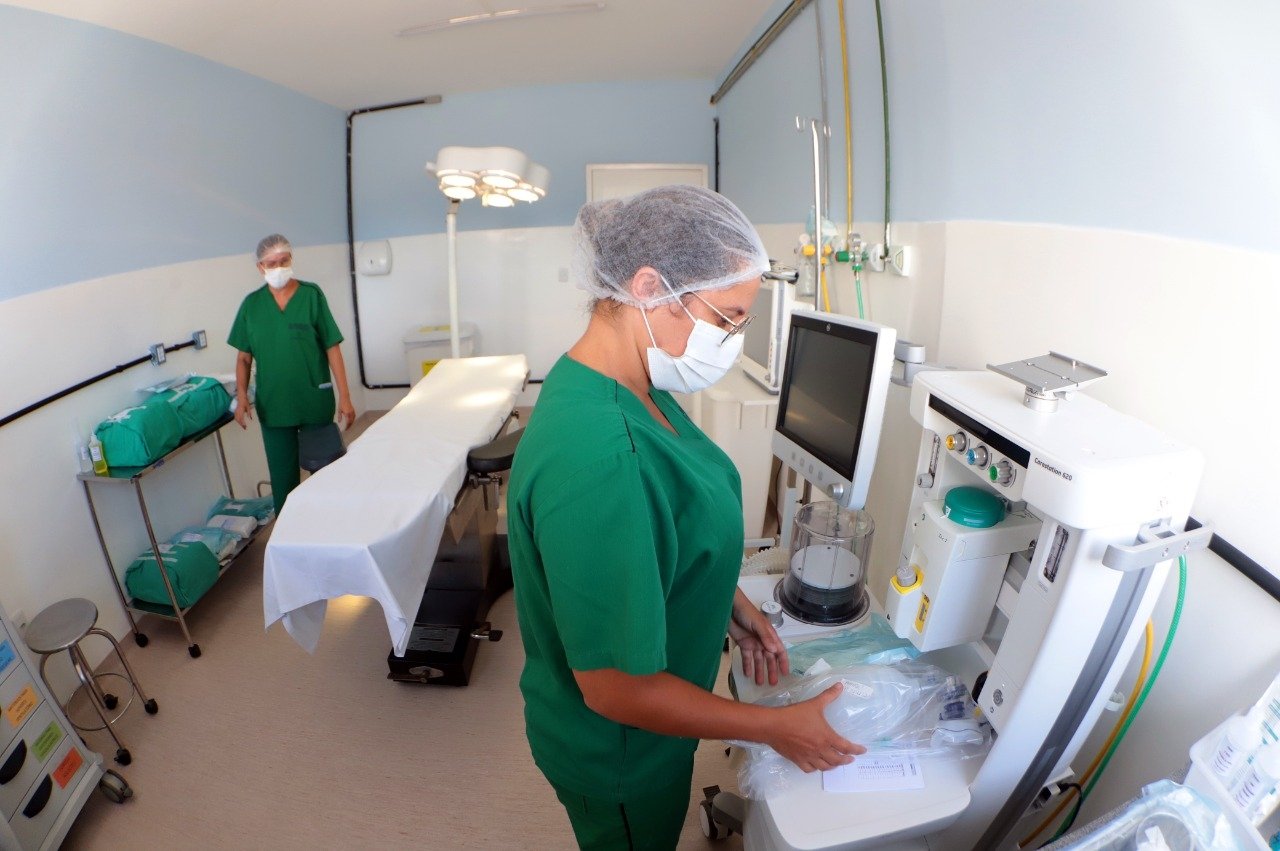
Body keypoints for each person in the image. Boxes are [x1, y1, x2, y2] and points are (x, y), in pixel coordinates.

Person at [507, 185, 865, 850]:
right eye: (728, 317)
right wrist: (775, 727)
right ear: (650, 287)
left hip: (651, 719)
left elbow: (666, 524)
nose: (730, 339)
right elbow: (616, 689)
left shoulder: (626, 382)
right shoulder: (602, 459)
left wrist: (724, 598)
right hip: (621, 753)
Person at [228, 234, 355, 513]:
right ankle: (289, 531)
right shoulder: (252, 305)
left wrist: (345, 396)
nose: (278, 268)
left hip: (313, 400)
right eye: (271, 263)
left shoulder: (311, 295)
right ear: (260, 267)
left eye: (283, 261)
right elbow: (243, 358)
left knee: (326, 474)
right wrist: (242, 397)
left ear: (291, 260)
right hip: (275, 405)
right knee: (283, 480)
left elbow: (332, 347)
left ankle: (331, 525)